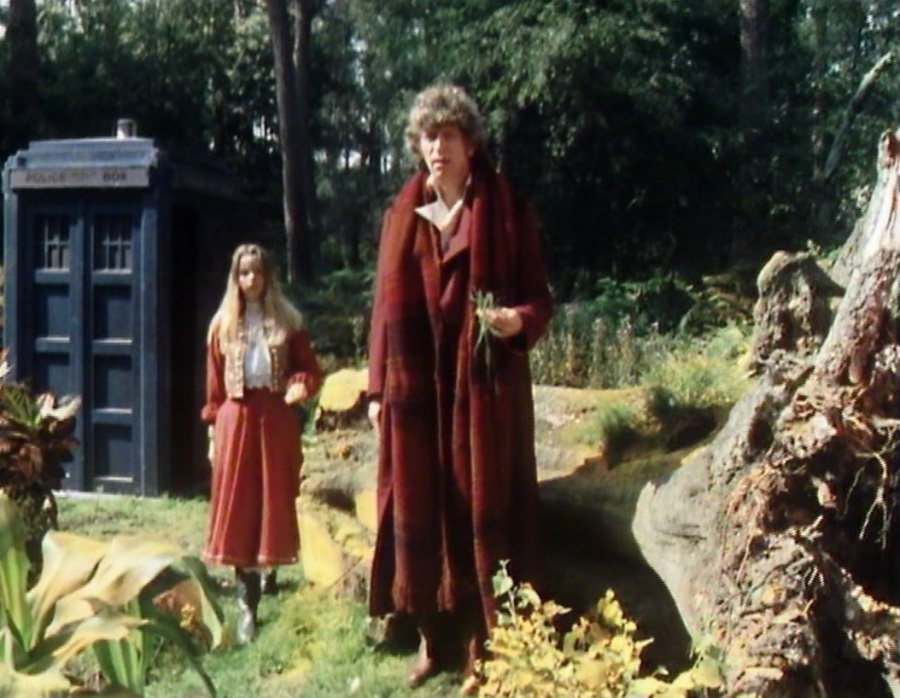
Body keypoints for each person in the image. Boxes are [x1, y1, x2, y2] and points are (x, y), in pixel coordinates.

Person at [367, 84, 553, 693]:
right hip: (417, 387)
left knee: (479, 504)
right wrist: (377, 390)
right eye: (429, 136)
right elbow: (382, 311)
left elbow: (539, 297)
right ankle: (431, 638)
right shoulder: (402, 216)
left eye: (448, 135)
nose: (437, 147)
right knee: (418, 501)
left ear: (470, 144)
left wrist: (517, 320)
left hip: (482, 389)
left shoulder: (507, 211)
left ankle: (481, 643)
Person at [201, 242, 323, 644]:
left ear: (268, 275)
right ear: (235, 278)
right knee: (239, 504)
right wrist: (213, 433)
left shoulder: (287, 320)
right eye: (244, 273)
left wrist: (299, 385)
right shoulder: (222, 325)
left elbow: (309, 368)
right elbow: (214, 387)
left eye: (257, 272)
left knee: (272, 497)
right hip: (235, 419)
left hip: (274, 418)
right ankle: (246, 604)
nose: (251, 280)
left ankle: (269, 566)